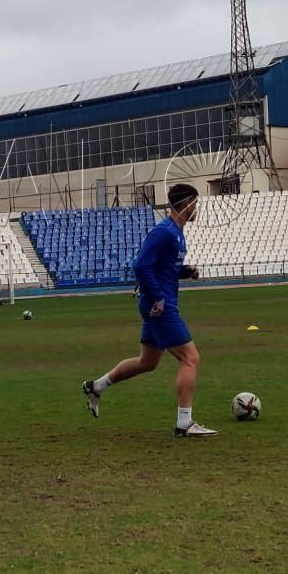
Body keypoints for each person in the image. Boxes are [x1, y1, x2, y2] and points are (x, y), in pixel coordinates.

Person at [81, 183, 216, 437]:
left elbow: (162, 268)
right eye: (195, 203)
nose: (197, 208)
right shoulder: (164, 232)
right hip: (160, 306)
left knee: (148, 362)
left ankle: (96, 386)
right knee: (191, 358)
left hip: (159, 302)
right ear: (186, 203)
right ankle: (184, 423)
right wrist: (158, 298)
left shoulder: (176, 233)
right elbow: (141, 266)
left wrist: (186, 271)